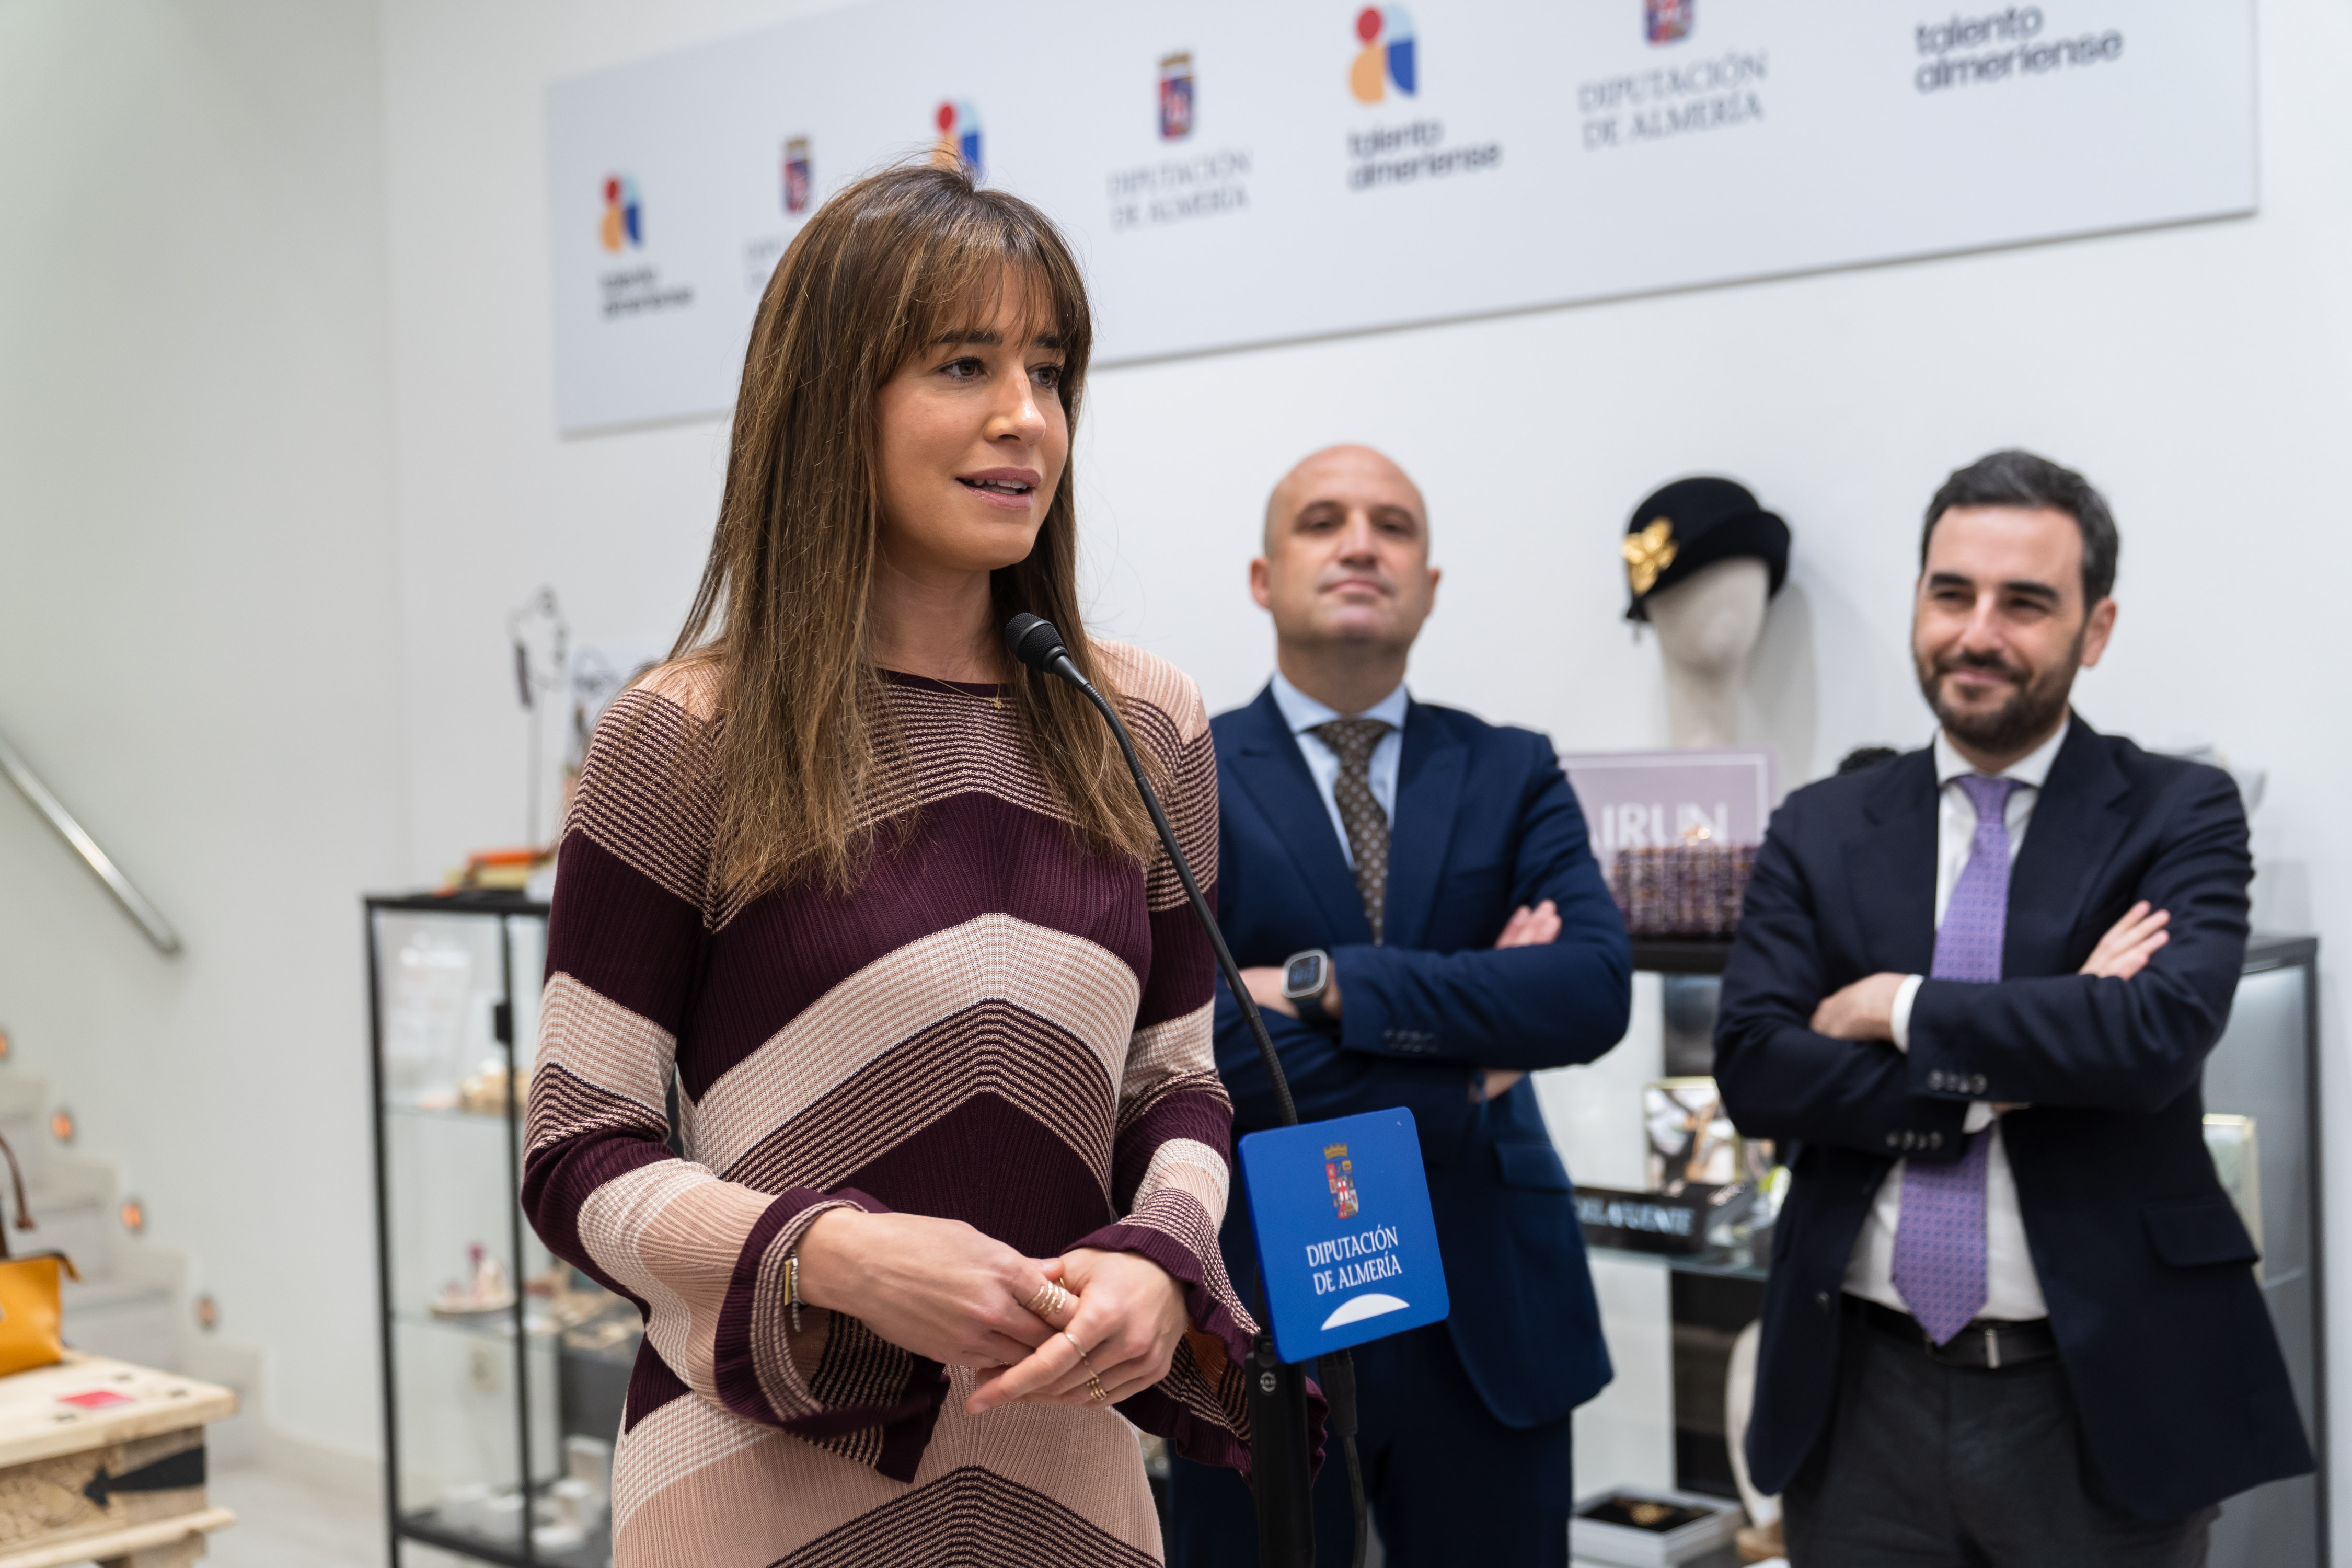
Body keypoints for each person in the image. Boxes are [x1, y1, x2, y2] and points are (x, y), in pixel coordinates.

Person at [522, 165, 1265, 1565]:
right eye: (963, 364)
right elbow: (578, 1151)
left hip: (1069, 1478)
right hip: (754, 1478)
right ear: (828, 401)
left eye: (1050, 370)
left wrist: (1163, 1257)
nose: (1025, 416)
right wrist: (833, 1255)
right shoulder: (683, 734)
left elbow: (1177, 1082)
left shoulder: (1143, 721)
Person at [1715, 450, 2313, 1566]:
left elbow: (2151, 1040)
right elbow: (1756, 1070)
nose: (1978, 632)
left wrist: (1895, 1005)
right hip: (1859, 1397)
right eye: (1952, 593)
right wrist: (2024, 1059)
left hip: (2103, 1400)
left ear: (2096, 628)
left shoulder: (2178, 812)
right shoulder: (1821, 824)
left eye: (2025, 603)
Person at [1165, 445, 1633, 1567]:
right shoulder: (1179, 769)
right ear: (1262, 577)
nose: (1361, 545)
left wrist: (1324, 986)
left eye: (1393, 525)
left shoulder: (1511, 769)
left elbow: (1587, 990)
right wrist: (1468, 1064)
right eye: (1323, 520)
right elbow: (1189, 1037)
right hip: (1261, 1299)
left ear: (1429, 584)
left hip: (1491, 1306)